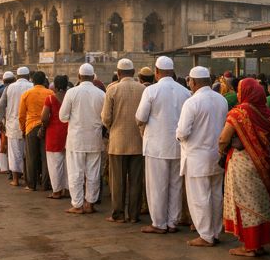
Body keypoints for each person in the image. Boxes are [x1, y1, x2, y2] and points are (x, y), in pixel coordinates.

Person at [218, 77, 270, 257]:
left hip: (242, 162)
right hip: (262, 162)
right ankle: (259, 244)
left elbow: (224, 138)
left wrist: (221, 150)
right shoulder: (265, 111)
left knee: (245, 203)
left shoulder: (239, 113)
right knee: (259, 202)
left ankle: (249, 246)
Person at [135, 56, 191, 234]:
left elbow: (141, 117)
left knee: (157, 185)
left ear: (157, 72)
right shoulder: (185, 91)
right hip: (177, 145)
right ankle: (172, 222)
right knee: (175, 185)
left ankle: (159, 223)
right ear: (172, 71)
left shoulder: (151, 90)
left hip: (156, 146)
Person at [176, 66, 228, 247]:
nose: (189, 83)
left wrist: (178, 136)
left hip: (197, 157)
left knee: (200, 197)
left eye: (189, 80)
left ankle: (205, 235)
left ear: (194, 82)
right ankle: (215, 232)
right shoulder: (221, 100)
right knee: (215, 195)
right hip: (216, 155)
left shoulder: (192, 102)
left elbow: (182, 131)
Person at [101, 59, 145, 223]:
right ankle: (134, 215)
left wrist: (113, 127)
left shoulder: (112, 90)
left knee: (117, 181)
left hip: (118, 142)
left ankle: (118, 214)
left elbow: (106, 118)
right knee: (135, 181)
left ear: (118, 73)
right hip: (138, 141)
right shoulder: (143, 89)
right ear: (134, 72)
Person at [59, 63, 105, 214]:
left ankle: (77, 205)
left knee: (75, 173)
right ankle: (90, 204)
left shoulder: (72, 93)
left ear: (78, 77)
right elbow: (105, 118)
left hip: (76, 139)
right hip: (94, 138)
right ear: (93, 77)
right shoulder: (101, 94)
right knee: (93, 173)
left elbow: (63, 117)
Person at [19, 71, 53, 192]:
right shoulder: (50, 93)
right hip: (46, 127)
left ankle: (31, 184)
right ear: (44, 81)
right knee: (45, 157)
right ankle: (45, 184)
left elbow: (21, 115)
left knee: (31, 157)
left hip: (31, 127)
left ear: (32, 81)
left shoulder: (27, 94)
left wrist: (23, 129)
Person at [0, 67, 33, 187]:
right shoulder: (32, 86)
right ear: (28, 76)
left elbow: (0, 106)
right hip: (29, 124)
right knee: (27, 153)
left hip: (13, 125)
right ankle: (27, 178)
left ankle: (16, 180)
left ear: (17, 77)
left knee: (14, 153)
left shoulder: (9, 88)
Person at [42, 74, 69, 199]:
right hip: (68, 132)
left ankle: (57, 191)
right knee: (68, 164)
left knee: (54, 164)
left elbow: (44, 117)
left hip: (53, 133)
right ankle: (68, 190)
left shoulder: (50, 99)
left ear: (56, 86)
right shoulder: (70, 97)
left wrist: (46, 124)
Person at [0, 71, 16, 176]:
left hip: (5, 120)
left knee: (4, 145)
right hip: (18, 121)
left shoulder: (0, 90)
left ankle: (5, 168)